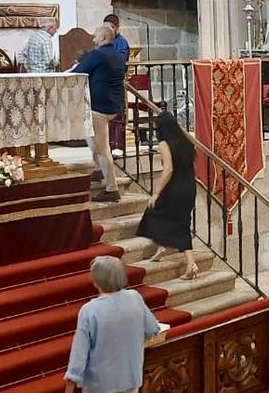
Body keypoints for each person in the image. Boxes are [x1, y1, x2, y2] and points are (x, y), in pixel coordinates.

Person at [64, 256, 160, 393]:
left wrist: (70, 385)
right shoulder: (135, 298)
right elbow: (152, 329)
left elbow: (79, 352)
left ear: (96, 281)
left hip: (100, 385)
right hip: (131, 379)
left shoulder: (89, 310)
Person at [136, 111, 199, 280]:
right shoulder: (187, 140)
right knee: (181, 222)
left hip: (174, 188)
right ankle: (168, 250)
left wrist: (156, 193)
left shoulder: (164, 144)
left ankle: (186, 261)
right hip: (189, 187)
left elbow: (168, 169)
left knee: (153, 212)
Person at [72, 25, 126, 203]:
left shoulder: (98, 55)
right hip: (113, 105)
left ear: (103, 37)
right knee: (92, 139)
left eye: (95, 37)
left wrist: (74, 68)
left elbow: (78, 73)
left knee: (102, 149)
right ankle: (98, 170)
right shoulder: (118, 56)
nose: (93, 40)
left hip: (99, 107)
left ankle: (112, 189)